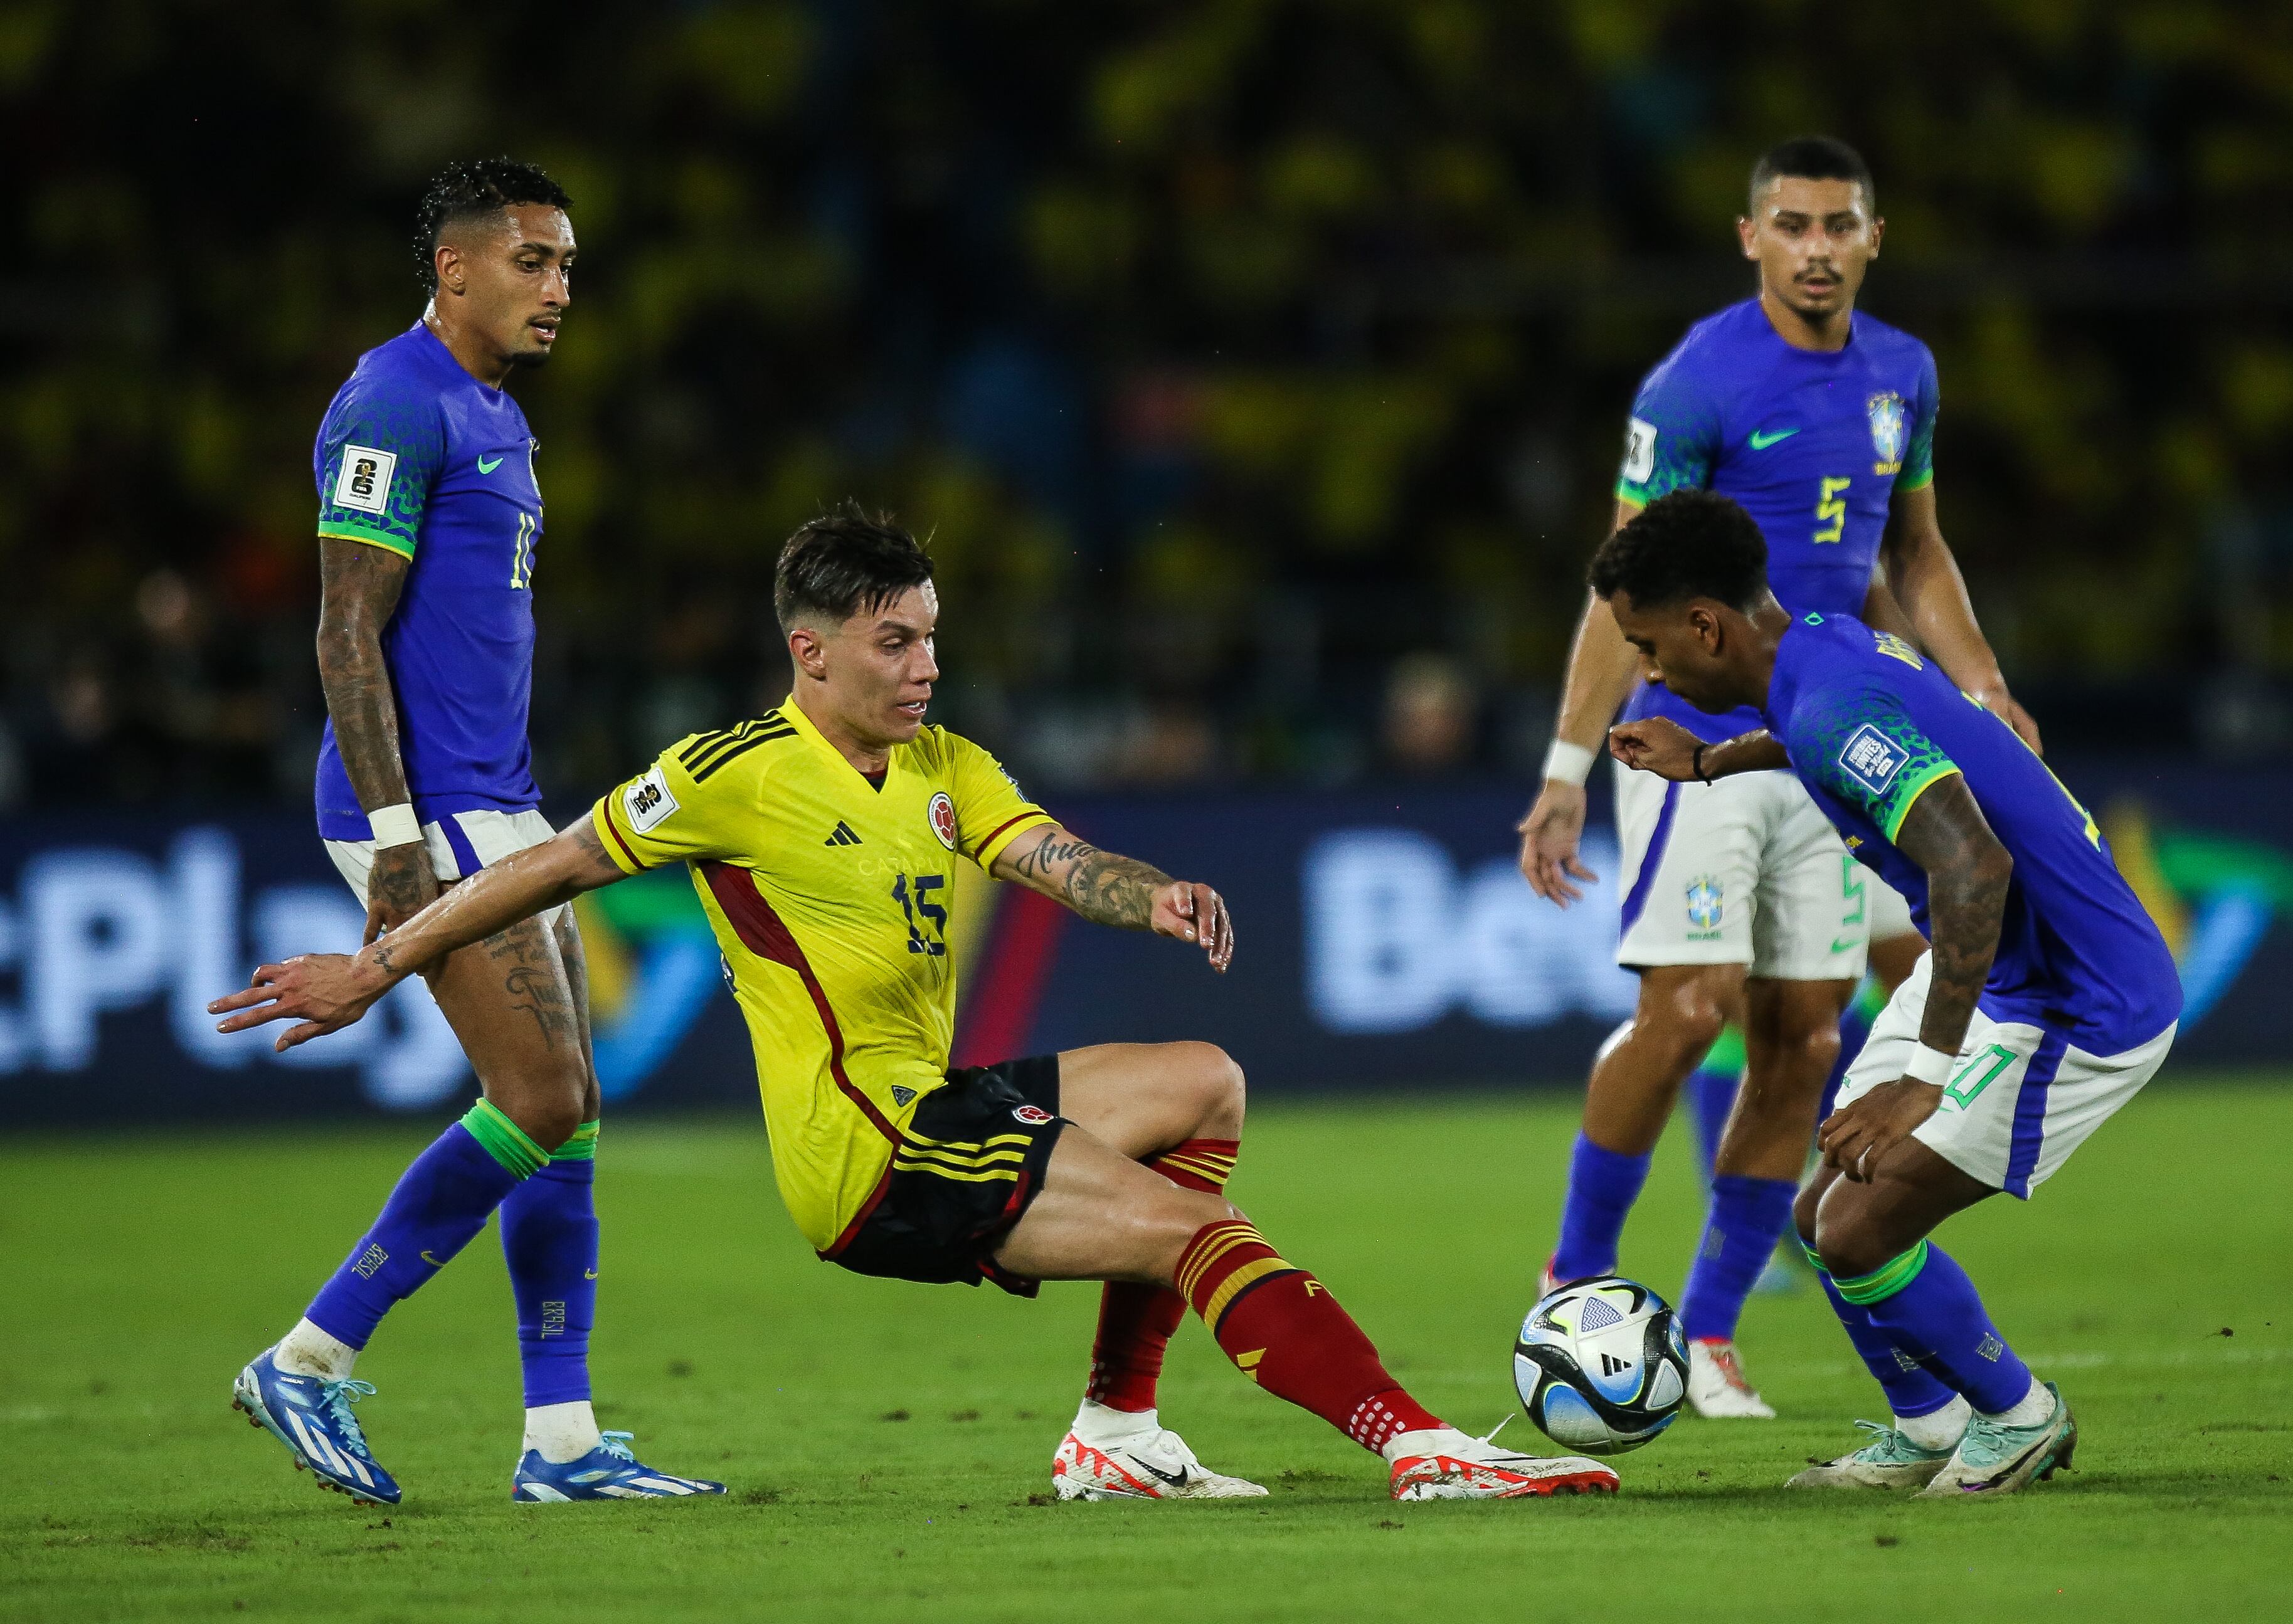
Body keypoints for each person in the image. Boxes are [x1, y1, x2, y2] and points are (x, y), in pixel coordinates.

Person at [214, 509, 1620, 1505]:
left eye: (932, 636)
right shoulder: (729, 773)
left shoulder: (943, 758)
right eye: (895, 642)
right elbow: (549, 865)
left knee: (1203, 1079)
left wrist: (1158, 893)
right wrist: (379, 958)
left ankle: (1116, 1434)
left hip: (939, 1101)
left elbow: (1057, 859)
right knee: (1195, 1228)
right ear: (811, 650)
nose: (925, 665)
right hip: (869, 1157)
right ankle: (1420, 1442)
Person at [228, 157, 718, 1507]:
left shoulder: (490, 410)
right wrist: (396, 830)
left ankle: (561, 1445)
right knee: (543, 1093)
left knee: (571, 1115)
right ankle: (310, 1357)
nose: (559, 288)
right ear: (454, 267)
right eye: (532, 261)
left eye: (567, 266)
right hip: (425, 808)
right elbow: (343, 626)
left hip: (498, 797)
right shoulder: (392, 397)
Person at [1515, 135, 2030, 1418]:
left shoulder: (1900, 372)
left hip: (1827, 732)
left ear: (1871, 237)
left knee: (1803, 1037)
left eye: (1836, 225)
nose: (1813, 247)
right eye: (1789, 224)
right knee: (1688, 1013)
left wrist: (1979, 686)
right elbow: (1618, 582)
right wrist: (1565, 764)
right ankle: (1573, 1279)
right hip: (1690, 737)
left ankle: (1708, 1329)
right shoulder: (1695, 383)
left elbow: (1910, 554)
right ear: (1749, 237)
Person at [1594, 490, 2179, 1495]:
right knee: (1825, 1201)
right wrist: (1710, 762)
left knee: (1860, 1226)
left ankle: (2019, 1414)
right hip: (2006, 970)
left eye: (1648, 646)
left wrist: (1924, 1074)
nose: (1649, 673)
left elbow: (1974, 868)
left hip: (2079, 996)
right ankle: (1928, 1421)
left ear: (1705, 625)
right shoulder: (1819, 643)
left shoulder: (1823, 701)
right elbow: (1825, 733)